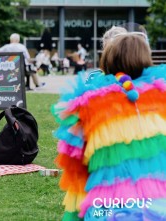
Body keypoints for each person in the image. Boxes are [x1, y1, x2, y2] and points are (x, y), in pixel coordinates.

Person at [52, 31, 166, 220]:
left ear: (108, 58)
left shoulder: (87, 102)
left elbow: (75, 166)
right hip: (158, 204)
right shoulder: (161, 95)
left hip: (107, 207)